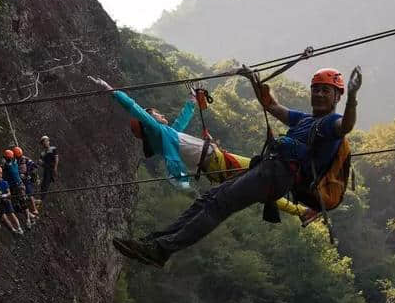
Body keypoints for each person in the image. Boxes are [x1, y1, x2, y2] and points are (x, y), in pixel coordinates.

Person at [110, 66, 362, 267]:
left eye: (325, 91)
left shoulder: (332, 124)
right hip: (267, 168)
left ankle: (160, 251)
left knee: (219, 205)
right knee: (206, 200)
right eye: (316, 89)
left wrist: (352, 99)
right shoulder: (305, 119)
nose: (318, 94)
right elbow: (272, 106)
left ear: (336, 96)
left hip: (278, 175)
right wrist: (253, 80)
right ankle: (155, 242)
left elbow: (347, 126)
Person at [87, 76, 305, 217]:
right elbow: (135, 108)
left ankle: (300, 210)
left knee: (264, 185)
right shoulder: (159, 133)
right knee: (267, 170)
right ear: (149, 125)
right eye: (156, 114)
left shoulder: (167, 138)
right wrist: (112, 91)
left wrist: (191, 100)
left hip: (215, 164)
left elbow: (180, 122)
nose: (161, 115)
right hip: (217, 162)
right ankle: (302, 202)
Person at [0, 165, 24, 235]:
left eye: (0, 173)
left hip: (6, 200)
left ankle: (19, 228)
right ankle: (13, 229)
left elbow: (9, 192)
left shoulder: (5, 183)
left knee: (11, 214)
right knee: (3, 216)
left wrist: (5, 195)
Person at [13, 146, 40, 223]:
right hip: (19, 181)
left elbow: (35, 167)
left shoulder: (26, 159)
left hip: (26, 180)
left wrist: (28, 174)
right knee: (24, 196)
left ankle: (34, 209)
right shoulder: (15, 161)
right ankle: (31, 209)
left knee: (29, 194)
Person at [39, 135, 58, 200]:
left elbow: (56, 158)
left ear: (48, 141)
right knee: (43, 184)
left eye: (46, 141)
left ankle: (42, 199)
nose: (45, 143)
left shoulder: (53, 149)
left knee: (46, 183)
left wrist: (55, 168)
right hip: (46, 168)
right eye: (43, 142)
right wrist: (40, 163)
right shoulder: (42, 153)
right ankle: (41, 197)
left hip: (51, 168)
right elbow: (40, 161)